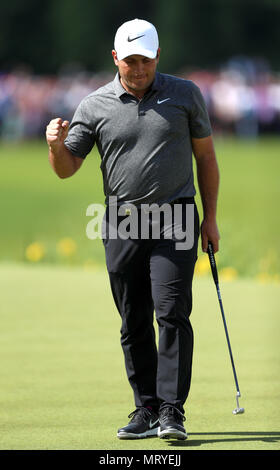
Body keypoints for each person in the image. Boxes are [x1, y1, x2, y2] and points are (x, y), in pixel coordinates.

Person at [46, 18, 220, 441]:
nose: (138, 68)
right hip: (122, 221)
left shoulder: (185, 95)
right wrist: (54, 145)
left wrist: (210, 217)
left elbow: (207, 159)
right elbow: (67, 170)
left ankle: (171, 410)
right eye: (129, 61)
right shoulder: (93, 105)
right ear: (115, 59)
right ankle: (145, 408)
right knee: (133, 319)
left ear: (158, 56)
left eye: (144, 59)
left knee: (172, 311)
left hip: (176, 218)